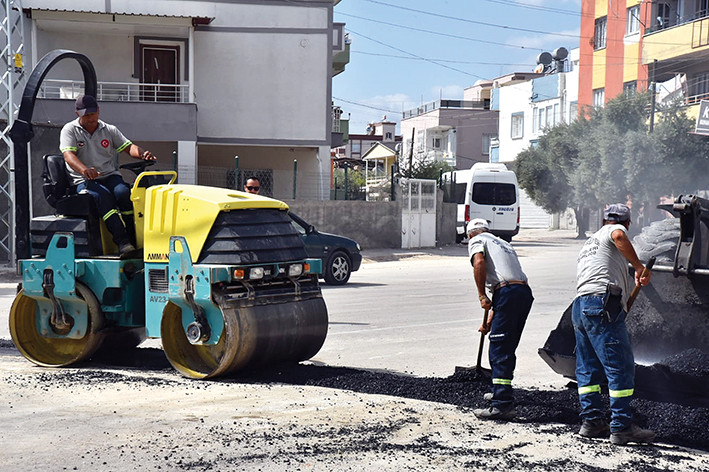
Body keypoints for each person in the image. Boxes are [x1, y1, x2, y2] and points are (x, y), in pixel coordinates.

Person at [572, 203, 654, 445]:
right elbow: (618, 236)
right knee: (620, 366)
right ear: (626, 222)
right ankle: (621, 427)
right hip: (601, 303)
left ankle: (591, 422)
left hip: (581, 306)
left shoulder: (590, 242)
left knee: (587, 368)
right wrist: (639, 267)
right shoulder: (615, 231)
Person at [60, 95, 156, 256]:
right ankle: (122, 241)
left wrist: (142, 154)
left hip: (108, 175)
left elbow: (128, 147)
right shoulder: (70, 130)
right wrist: (84, 170)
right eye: (86, 115)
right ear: (78, 114)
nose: (90, 118)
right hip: (84, 180)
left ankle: (135, 239)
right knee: (102, 197)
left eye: (92, 114)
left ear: (98, 111)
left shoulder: (109, 129)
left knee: (123, 193)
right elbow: (69, 156)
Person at [467, 218, 534, 420]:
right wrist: (489, 323)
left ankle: (502, 404)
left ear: (471, 234)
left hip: (508, 293)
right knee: (506, 346)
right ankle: (500, 391)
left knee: (498, 348)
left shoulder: (477, 240)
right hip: (522, 293)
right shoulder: (502, 243)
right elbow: (506, 285)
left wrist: (481, 295)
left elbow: (478, 262)